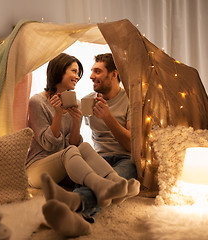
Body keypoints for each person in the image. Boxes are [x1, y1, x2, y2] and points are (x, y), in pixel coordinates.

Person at [25, 53, 138, 237]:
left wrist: (78, 122)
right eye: (75, 71)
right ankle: (108, 185)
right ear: (60, 71)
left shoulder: (79, 102)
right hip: (41, 163)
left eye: (96, 71)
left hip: (108, 159)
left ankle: (82, 206)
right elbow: (50, 145)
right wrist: (59, 114)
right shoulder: (38, 102)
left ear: (114, 74)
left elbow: (73, 145)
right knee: (78, 152)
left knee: (83, 148)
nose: (84, 76)